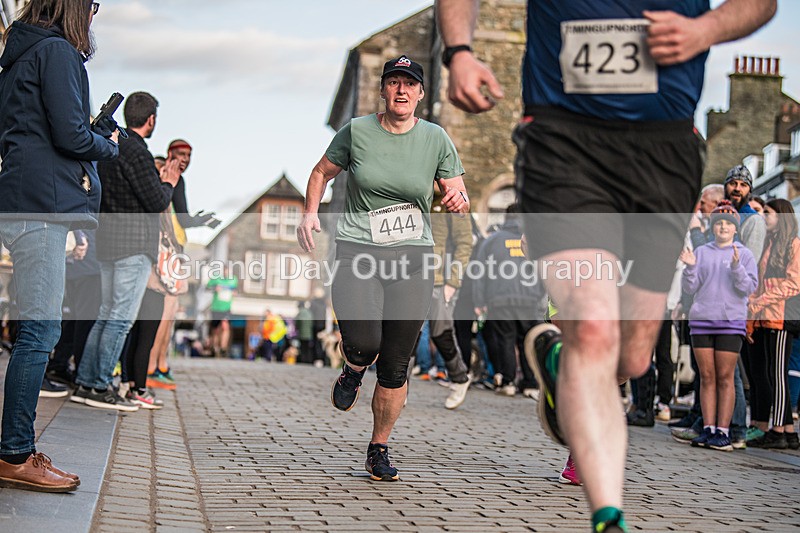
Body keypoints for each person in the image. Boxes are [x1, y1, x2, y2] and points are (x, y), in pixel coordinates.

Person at [436, 1, 776, 530]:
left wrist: (705, 29)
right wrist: (458, 51)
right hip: (563, 142)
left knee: (634, 357)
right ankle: (607, 515)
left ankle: (556, 363)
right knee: (593, 329)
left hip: (663, 150)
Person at [297, 55, 469, 482]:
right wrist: (309, 212)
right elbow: (321, 172)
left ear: (421, 94)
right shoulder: (356, 131)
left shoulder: (436, 138)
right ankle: (353, 367)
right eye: (394, 83)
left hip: (413, 257)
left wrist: (456, 200)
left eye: (409, 84)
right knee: (365, 341)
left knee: (396, 365)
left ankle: (379, 448)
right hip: (360, 251)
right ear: (383, 90)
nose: (402, 91)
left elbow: (457, 190)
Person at [0, 0, 118, 492]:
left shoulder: (18, 53)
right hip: (39, 205)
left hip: (22, 197)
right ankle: (14, 453)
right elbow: (71, 135)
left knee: (35, 328)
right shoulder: (57, 53)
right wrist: (105, 142)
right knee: (40, 332)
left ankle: (15, 448)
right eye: (92, 6)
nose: (94, 15)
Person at [72, 91, 181, 411]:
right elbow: (155, 201)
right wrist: (169, 182)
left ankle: (85, 381)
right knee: (120, 320)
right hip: (133, 246)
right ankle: (100, 384)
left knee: (106, 315)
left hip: (107, 243)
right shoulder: (138, 152)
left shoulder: (111, 146)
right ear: (151, 120)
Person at [680, 201, 758, 451]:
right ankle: (709, 428)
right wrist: (690, 268)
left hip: (730, 323)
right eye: (719, 223)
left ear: (735, 229)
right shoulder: (702, 252)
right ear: (713, 227)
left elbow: (748, 288)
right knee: (706, 377)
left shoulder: (743, 253)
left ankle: (723, 432)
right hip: (702, 320)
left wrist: (736, 268)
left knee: (725, 377)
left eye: (728, 223)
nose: (723, 227)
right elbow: (690, 288)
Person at [747, 199, 800, 450]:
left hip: (781, 316)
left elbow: (794, 283)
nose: (764, 218)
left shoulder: (794, 244)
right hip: (765, 315)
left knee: (777, 374)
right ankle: (789, 431)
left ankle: (777, 429)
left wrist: (760, 301)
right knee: (770, 372)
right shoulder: (769, 244)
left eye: (767, 214)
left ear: (782, 217)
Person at [207, 266, 237, 357]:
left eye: (228, 272)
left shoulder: (234, 280)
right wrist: (215, 288)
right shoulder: (216, 279)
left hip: (226, 308)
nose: (226, 273)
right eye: (225, 271)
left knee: (225, 327)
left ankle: (223, 348)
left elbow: (235, 290)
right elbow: (207, 287)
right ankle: (214, 347)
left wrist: (234, 293)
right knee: (215, 329)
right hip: (216, 307)